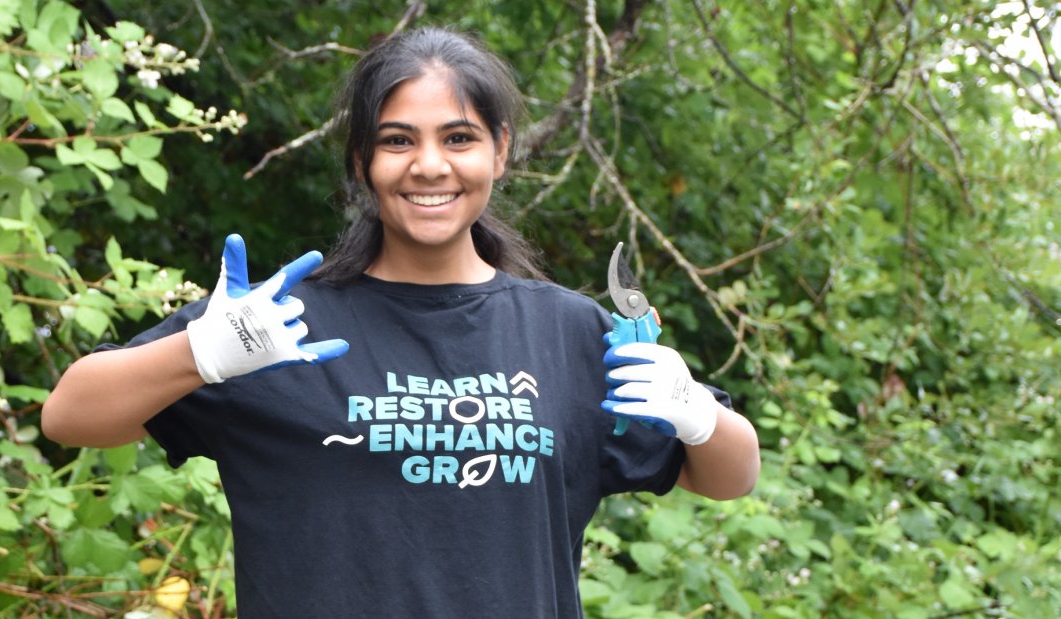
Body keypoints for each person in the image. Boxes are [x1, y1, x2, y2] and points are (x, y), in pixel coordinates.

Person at [42, 26, 760, 618]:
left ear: (500, 150)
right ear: (361, 159)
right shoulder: (275, 323)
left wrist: (696, 410)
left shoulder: (569, 332)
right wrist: (200, 352)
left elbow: (728, 475)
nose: (428, 165)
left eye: (458, 138)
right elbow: (70, 414)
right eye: (396, 140)